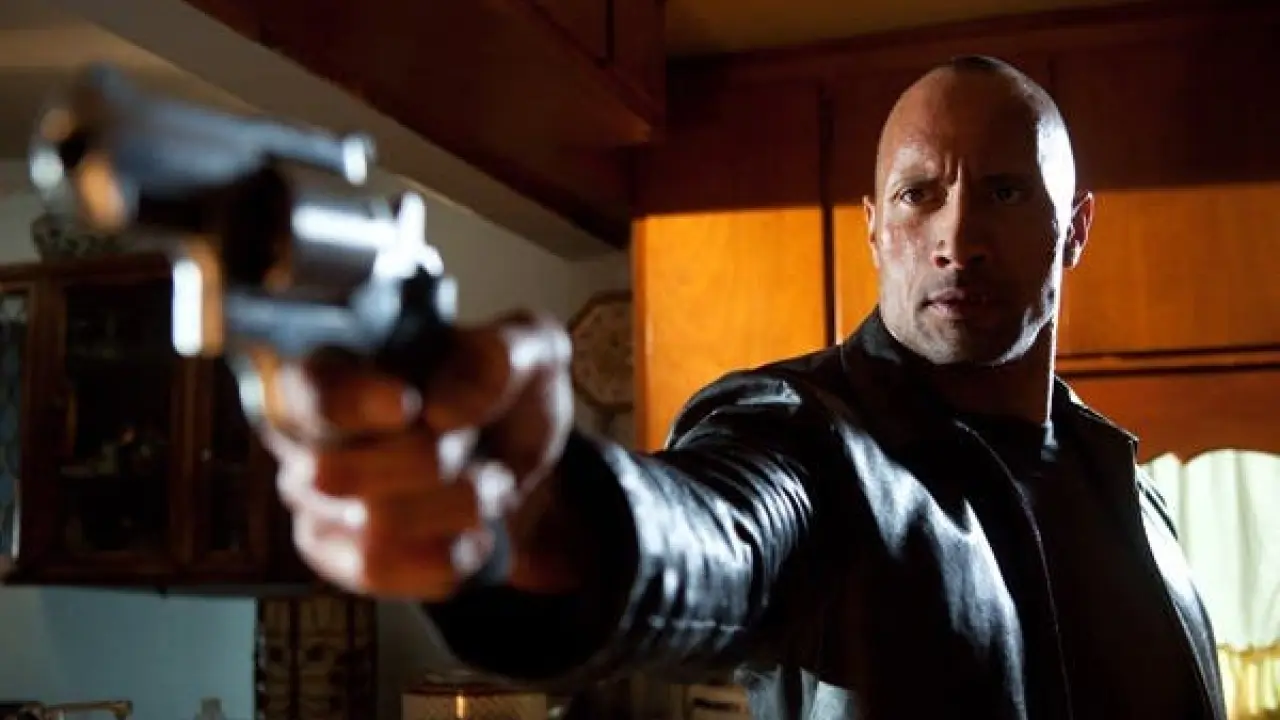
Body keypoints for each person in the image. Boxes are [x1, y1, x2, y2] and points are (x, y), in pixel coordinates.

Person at [259, 56, 1227, 719]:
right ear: (873, 226)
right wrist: (549, 517)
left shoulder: (1129, 491)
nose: (956, 238)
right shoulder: (808, 435)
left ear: (1075, 229)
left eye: (1005, 192)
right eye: (918, 193)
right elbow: (716, 528)